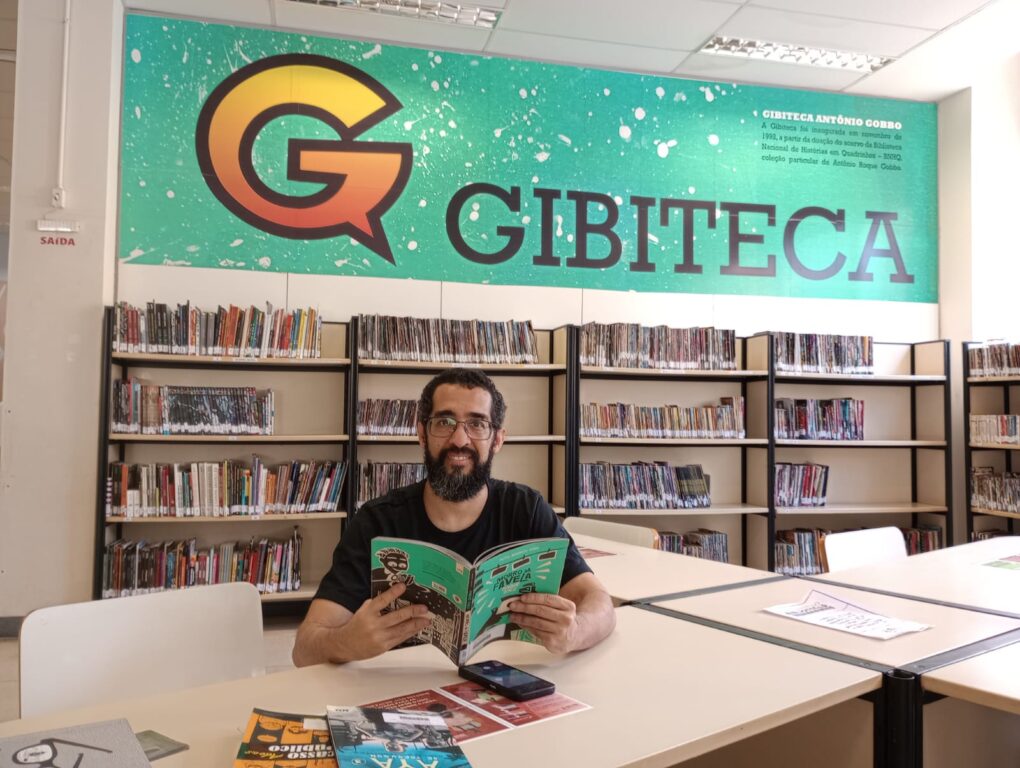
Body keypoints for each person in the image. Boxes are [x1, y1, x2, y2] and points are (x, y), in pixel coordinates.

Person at [293, 368, 615, 665]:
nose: (459, 440)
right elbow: (304, 648)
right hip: (401, 692)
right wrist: (347, 643)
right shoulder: (376, 523)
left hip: (504, 685)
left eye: (477, 424)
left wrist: (574, 631)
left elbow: (600, 603)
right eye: (444, 422)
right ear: (422, 433)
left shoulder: (526, 510)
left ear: (497, 439)